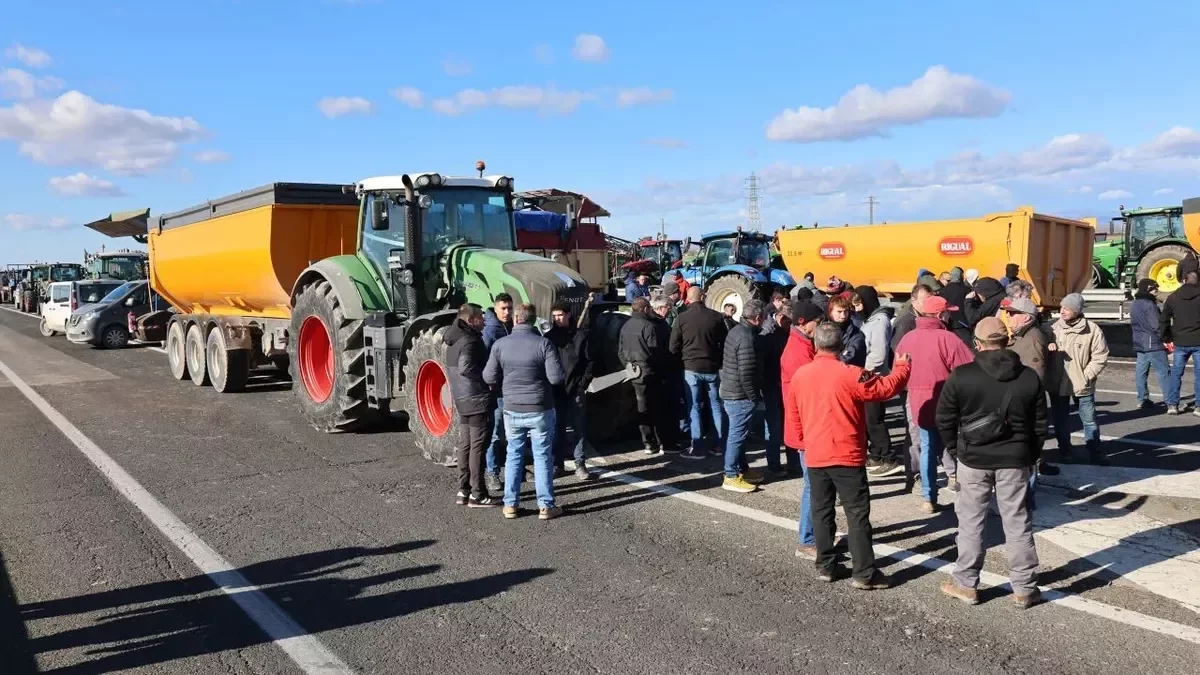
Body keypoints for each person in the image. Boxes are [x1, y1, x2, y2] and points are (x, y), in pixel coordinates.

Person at [789, 322, 911, 588]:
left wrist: (803, 440)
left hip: (817, 453)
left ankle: (826, 565)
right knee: (856, 515)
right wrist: (902, 367)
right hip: (847, 454)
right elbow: (885, 388)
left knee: (821, 512)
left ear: (815, 344)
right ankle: (864, 573)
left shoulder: (801, 375)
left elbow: (794, 414)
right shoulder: (851, 374)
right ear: (842, 346)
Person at [936, 317, 1046, 609]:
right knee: (1017, 521)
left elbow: (944, 419)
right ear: (1008, 340)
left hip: (973, 458)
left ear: (977, 343)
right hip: (1015, 459)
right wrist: (1031, 453)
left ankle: (966, 584)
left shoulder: (961, 375)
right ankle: (1024, 588)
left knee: (971, 522)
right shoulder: (1028, 376)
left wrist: (955, 450)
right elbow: (1039, 424)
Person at [483, 303, 566, 520]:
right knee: (542, 456)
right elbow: (556, 378)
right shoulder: (544, 344)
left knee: (513, 454)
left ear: (516, 319)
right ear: (532, 320)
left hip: (511, 408)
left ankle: (510, 505)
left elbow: (488, 377)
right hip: (540, 407)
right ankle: (546, 506)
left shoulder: (500, 345)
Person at [895, 295, 975, 512]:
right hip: (947, 401)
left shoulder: (908, 338)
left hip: (918, 401)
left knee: (927, 447)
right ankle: (963, 489)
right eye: (948, 311)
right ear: (941, 315)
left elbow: (898, 369)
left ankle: (928, 497)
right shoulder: (949, 339)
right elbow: (969, 370)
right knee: (957, 446)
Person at [444, 304, 500, 508]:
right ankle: (478, 494)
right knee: (478, 447)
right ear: (470, 320)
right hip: (477, 399)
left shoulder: (453, 340)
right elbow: (466, 367)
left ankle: (464, 490)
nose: (484, 320)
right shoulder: (470, 341)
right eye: (480, 318)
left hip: (462, 398)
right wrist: (487, 381)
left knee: (465, 445)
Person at [1046, 293, 1110, 464]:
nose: (1062, 311)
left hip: (1082, 385)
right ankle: (1065, 451)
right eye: (1061, 307)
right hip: (1058, 384)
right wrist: (1048, 348)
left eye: (1067, 308)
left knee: (1089, 421)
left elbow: (1100, 357)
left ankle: (1095, 452)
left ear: (1077, 310)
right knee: (1061, 421)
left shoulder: (1093, 330)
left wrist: (1086, 376)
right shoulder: (1051, 329)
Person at [783, 300, 823, 556]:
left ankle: (815, 534)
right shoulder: (798, 353)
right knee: (813, 486)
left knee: (817, 485)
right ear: (802, 322)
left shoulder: (803, 345)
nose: (818, 327)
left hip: (807, 427)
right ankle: (807, 540)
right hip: (806, 430)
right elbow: (810, 394)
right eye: (816, 323)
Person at [670, 286, 728, 460]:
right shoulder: (716, 317)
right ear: (702, 297)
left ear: (688, 298)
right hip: (711, 367)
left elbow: (673, 346)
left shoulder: (681, 319)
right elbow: (724, 342)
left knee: (693, 407)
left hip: (690, 367)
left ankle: (697, 447)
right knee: (716, 406)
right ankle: (720, 444)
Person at [1004, 297, 1059, 477]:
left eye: (1012, 313)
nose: (1008, 317)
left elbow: (1034, 377)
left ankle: (1029, 490)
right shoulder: (1023, 336)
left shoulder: (1032, 340)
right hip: (1019, 400)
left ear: (1026, 317)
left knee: (1028, 441)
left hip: (1023, 402)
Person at [545, 301, 596, 480]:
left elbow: (590, 362)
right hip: (556, 391)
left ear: (568, 315)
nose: (558, 319)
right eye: (555, 316)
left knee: (579, 429)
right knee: (556, 429)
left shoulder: (581, 336)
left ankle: (580, 464)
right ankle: (557, 464)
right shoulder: (548, 338)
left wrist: (582, 384)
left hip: (576, 390)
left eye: (560, 315)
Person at [854, 287, 902, 476]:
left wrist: (864, 370)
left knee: (874, 420)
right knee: (869, 419)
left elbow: (879, 354)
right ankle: (876, 454)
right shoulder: (873, 319)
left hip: (873, 377)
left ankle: (889, 458)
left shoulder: (879, 321)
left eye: (859, 304)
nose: (857, 309)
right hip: (869, 376)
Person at [719, 298, 767, 493]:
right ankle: (730, 475)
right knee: (737, 436)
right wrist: (753, 396)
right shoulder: (746, 337)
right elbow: (746, 372)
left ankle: (741, 469)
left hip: (733, 391)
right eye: (763, 318)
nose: (764, 321)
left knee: (739, 435)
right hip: (739, 395)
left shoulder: (738, 330)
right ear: (756, 317)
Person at [619, 296, 677, 454]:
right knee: (658, 408)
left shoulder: (626, 326)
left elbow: (620, 351)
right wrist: (663, 371)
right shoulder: (649, 326)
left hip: (634, 373)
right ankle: (664, 443)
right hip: (651, 373)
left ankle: (648, 443)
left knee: (642, 408)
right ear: (645, 309)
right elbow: (656, 353)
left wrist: (629, 366)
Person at [482, 293, 514, 494]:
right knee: (494, 434)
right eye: (503, 308)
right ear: (495, 308)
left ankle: (513, 469)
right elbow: (484, 363)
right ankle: (492, 471)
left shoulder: (512, 328)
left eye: (510, 308)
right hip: (497, 391)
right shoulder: (490, 332)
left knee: (512, 433)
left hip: (513, 389)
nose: (507, 312)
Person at [1160, 263, 1200, 415]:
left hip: (1180, 341)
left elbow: (1164, 319)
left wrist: (1166, 337)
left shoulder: (1173, 297)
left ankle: (1172, 404)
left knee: (1176, 373)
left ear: (1183, 280)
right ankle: (1198, 407)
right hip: (1198, 340)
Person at [761, 298, 794, 477]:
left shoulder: (789, 332)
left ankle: (793, 463)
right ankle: (773, 464)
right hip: (772, 384)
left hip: (786, 383)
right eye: (788, 321)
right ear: (780, 316)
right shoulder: (768, 332)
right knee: (773, 426)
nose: (790, 325)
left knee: (790, 423)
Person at [1130, 279, 1169, 409]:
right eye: (1154, 288)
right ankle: (1171, 401)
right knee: (1164, 372)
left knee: (1141, 373)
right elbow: (1157, 326)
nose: (1157, 291)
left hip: (1140, 342)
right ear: (1148, 289)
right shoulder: (1150, 305)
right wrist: (1166, 339)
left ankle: (1142, 399)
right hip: (1153, 344)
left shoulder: (1135, 304)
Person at [827, 295, 865, 367]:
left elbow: (849, 356)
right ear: (830, 312)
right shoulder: (824, 330)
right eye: (839, 312)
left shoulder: (856, 334)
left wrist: (827, 363)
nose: (843, 316)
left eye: (846, 311)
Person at [938, 267, 972, 334]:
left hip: (948, 323)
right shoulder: (967, 289)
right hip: (964, 324)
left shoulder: (942, 291)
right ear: (960, 276)